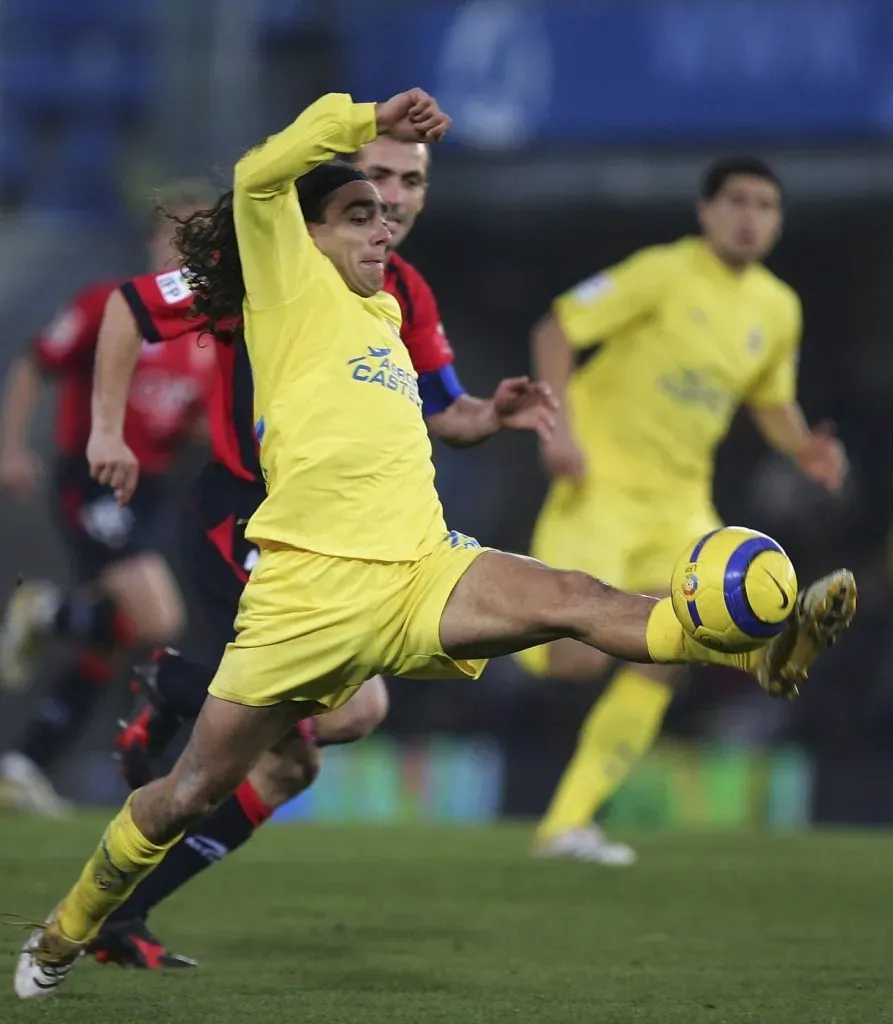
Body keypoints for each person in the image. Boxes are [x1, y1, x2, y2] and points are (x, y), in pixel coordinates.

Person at [13, 91, 855, 1001]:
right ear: (305, 232)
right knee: (183, 794)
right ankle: (64, 932)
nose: (384, 225)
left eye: (392, 207)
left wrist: (488, 413)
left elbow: (440, 412)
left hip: (423, 570)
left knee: (575, 597)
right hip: (304, 598)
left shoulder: (390, 311)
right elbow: (261, 175)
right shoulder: (283, 281)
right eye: (359, 212)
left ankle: (754, 648)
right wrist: (361, 115)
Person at [79, 136, 554, 968]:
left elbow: (449, 412)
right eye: (377, 181)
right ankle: (179, 682)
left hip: (344, 539)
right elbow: (131, 306)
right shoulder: (262, 263)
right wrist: (107, 428)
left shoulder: (403, 291)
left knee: (289, 764)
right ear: (335, 190)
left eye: (413, 182)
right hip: (250, 518)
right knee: (355, 710)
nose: (397, 198)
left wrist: (494, 413)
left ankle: (124, 913)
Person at [518, 156, 849, 865]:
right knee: (573, 658)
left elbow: (768, 398)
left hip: (680, 507)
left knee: (665, 655)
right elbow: (555, 329)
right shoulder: (661, 271)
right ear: (705, 211)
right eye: (736, 201)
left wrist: (801, 449)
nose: (749, 216)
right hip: (598, 492)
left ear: (777, 221)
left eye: (764, 205)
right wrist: (560, 430)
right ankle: (460, 631)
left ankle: (566, 824)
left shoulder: (776, 308)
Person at [0, 183, 217, 817]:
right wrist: (12, 448)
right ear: (152, 243)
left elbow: (192, 422)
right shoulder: (109, 306)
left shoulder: (206, 334)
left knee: (117, 633)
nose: (187, 254)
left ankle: (24, 760)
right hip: (93, 478)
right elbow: (35, 363)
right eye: (174, 238)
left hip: (148, 491)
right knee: (159, 620)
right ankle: (41, 615)